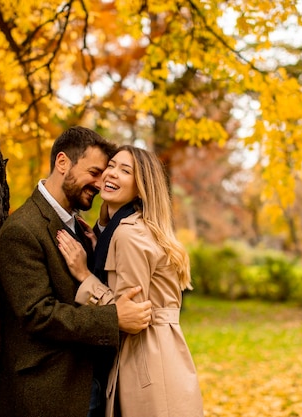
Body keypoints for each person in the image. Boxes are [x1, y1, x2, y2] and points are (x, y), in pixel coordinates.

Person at [0, 127, 153, 417]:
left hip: (87, 384)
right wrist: (113, 318)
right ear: (63, 163)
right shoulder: (22, 230)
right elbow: (37, 314)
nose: (99, 182)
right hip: (48, 393)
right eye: (94, 172)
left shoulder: (78, 228)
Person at [57, 145, 204, 417]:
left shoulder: (128, 236)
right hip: (163, 356)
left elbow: (132, 317)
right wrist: (100, 242)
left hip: (145, 361)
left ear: (142, 186)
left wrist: (84, 275)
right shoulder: (132, 228)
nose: (111, 173)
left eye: (125, 171)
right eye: (111, 166)